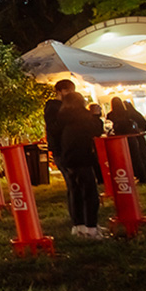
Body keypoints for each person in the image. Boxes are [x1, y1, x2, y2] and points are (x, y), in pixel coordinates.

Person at [60, 92, 104, 238]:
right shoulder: (83, 116)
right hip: (83, 156)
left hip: (68, 157)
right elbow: (96, 130)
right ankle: (91, 227)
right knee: (90, 192)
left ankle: (78, 225)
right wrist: (96, 116)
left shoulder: (62, 117)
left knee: (75, 192)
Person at [44, 79, 77, 172]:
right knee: (70, 174)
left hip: (70, 147)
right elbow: (53, 128)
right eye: (67, 91)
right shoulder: (53, 107)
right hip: (60, 148)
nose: (70, 93)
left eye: (72, 91)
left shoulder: (69, 106)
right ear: (59, 91)